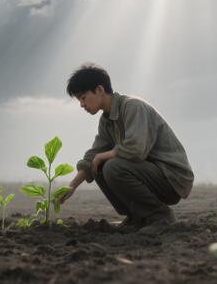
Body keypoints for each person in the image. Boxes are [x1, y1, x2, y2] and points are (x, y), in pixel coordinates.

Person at [57, 63, 194, 234]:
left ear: (99, 90)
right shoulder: (106, 120)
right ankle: (136, 217)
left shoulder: (133, 106)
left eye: (83, 98)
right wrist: (71, 187)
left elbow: (136, 149)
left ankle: (161, 217)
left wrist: (102, 157)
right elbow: (93, 157)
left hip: (170, 178)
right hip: (148, 174)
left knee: (112, 165)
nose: (81, 105)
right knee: (98, 166)